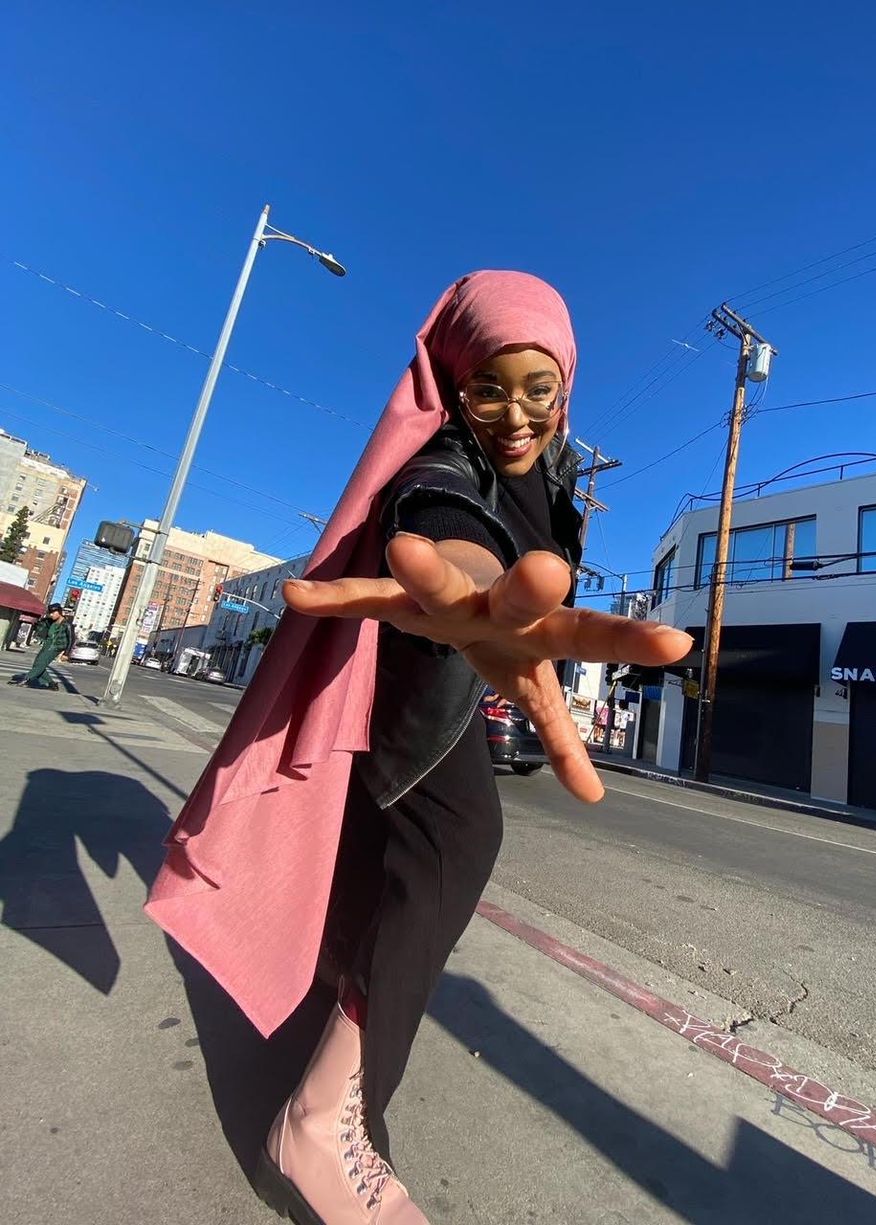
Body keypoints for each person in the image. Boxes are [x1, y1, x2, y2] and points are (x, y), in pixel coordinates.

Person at [145, 271, 692, 1225]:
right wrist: (469, 598)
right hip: (412, 678)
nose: (514, 415)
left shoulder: (556, 477)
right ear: (455, 380)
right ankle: (319, 1123)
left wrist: (521, 630)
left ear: (566, 389)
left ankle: (334, 1037)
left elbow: (528, 567)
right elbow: (446, 523)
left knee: (387, 859)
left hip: (459, 684)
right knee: (454, 843)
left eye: (540, 389)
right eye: (489, 385)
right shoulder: (442, 450)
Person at [7, 602, 73, 690]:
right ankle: (52, 684)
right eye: (50, 613)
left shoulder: (67, 624)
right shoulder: (50, 622)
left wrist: (66, 653)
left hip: (55, 647)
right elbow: (41, 624)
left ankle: (26, 679)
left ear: (59, 612)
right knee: (37, 664)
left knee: (40, 664)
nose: (51, 614)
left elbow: (71, 639)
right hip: (47, 644)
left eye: (53, 612)